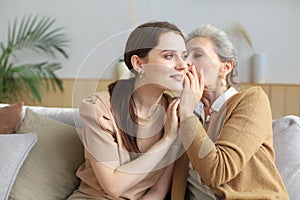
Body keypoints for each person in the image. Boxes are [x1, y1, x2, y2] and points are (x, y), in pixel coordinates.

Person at [67, 21, 189, 200]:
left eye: (184, 56)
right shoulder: (99, 108)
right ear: (139, 64)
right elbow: (113, 186)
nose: (182, 65)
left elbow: (158, 192)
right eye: (169, 56)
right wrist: (167, 139)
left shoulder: (174, 112)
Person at [171, 24, 289, 199]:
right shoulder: (181, 110)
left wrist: (187, 113)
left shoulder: (251, 101)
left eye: (198, 55)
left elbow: (217, 172)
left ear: (225, 67)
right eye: (184, 57)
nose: (186, 63)